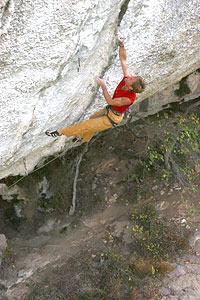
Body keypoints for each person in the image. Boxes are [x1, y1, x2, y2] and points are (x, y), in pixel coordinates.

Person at [45, 33, 146, 142]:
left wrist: (103, 86)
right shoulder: (127, 79)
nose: (129, 77)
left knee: (85, 125)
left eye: (131, 79)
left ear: (131, 88)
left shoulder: (128, 99)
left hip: (112, 118)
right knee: (92, 119)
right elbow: (123, 60)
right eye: (131, 76)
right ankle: (83, 138)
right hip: (110, 111)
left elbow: (110, 101)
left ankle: (59, 132)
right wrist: (122, 44)